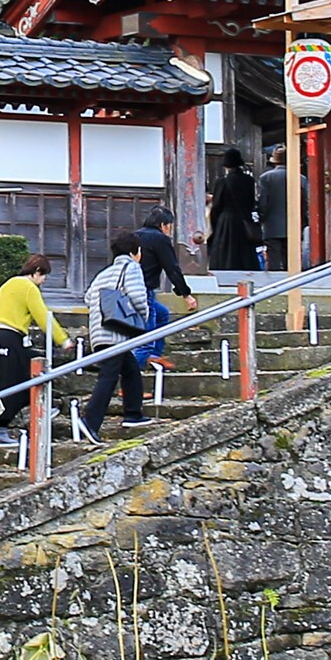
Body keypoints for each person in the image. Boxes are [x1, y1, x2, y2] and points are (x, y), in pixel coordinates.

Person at [0, 253, 67, 446]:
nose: (44, 280)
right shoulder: (28, 287)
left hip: (0, 336)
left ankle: (5, 426)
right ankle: (4, 428)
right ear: (37, 272)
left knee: (14, 381)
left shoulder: (8, 284)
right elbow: (42, 316)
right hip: (11, 338)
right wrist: (63, 339)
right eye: (44, 275)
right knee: (23, 379)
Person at [79, 233, 151, 443]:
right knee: (109, 376)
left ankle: (133, 413)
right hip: (117, 332)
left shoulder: (105, 273)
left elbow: (88, 298)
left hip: (101, 331)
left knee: (130, 369)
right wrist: (142, 319)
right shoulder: (132, 268)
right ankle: (90, 421)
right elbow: (138, 297)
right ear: (135, 252)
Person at [133, 208, 192, 370]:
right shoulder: (159, 239)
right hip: (144, 291)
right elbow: (171, 267)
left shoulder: (135, 236)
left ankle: (154, 355)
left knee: (162, 314)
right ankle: (129, 384)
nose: (169, 230)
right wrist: (185, 294)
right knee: (145, 340)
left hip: (129, 289)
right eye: (169, 226)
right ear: (163, 225)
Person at [205, 146, 262, 271]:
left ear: (226, 166)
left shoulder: (222, 182)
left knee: (224, 252)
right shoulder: (249, 181)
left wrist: (215, 224)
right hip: (244, 219)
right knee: (245, 253)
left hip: (226, 220)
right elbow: (251, 202)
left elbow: (216, 205)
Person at [257, 145, 302, 271]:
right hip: (294, 224)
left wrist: (261, 218)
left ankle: (274, 285)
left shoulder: (266, 178)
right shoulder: (300, 178)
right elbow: (305, 202)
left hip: (272, 225)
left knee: (273, 260)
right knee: (292, 261)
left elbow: (263, 203)